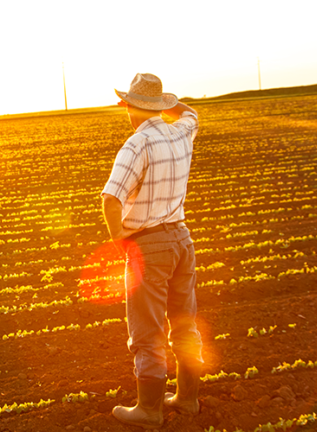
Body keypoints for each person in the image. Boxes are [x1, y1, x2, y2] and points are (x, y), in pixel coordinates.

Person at [101, 73, 204, 429]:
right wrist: (166, 103)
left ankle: (149, 409)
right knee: (185, 323)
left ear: (128, 106)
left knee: (147, 330)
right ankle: (188, 399)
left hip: (150, 245)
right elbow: (191, 113)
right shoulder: (181, 130)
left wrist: (120, 241)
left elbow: (111, 199)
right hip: (181, 240)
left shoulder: (137, 143)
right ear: (159, 105)